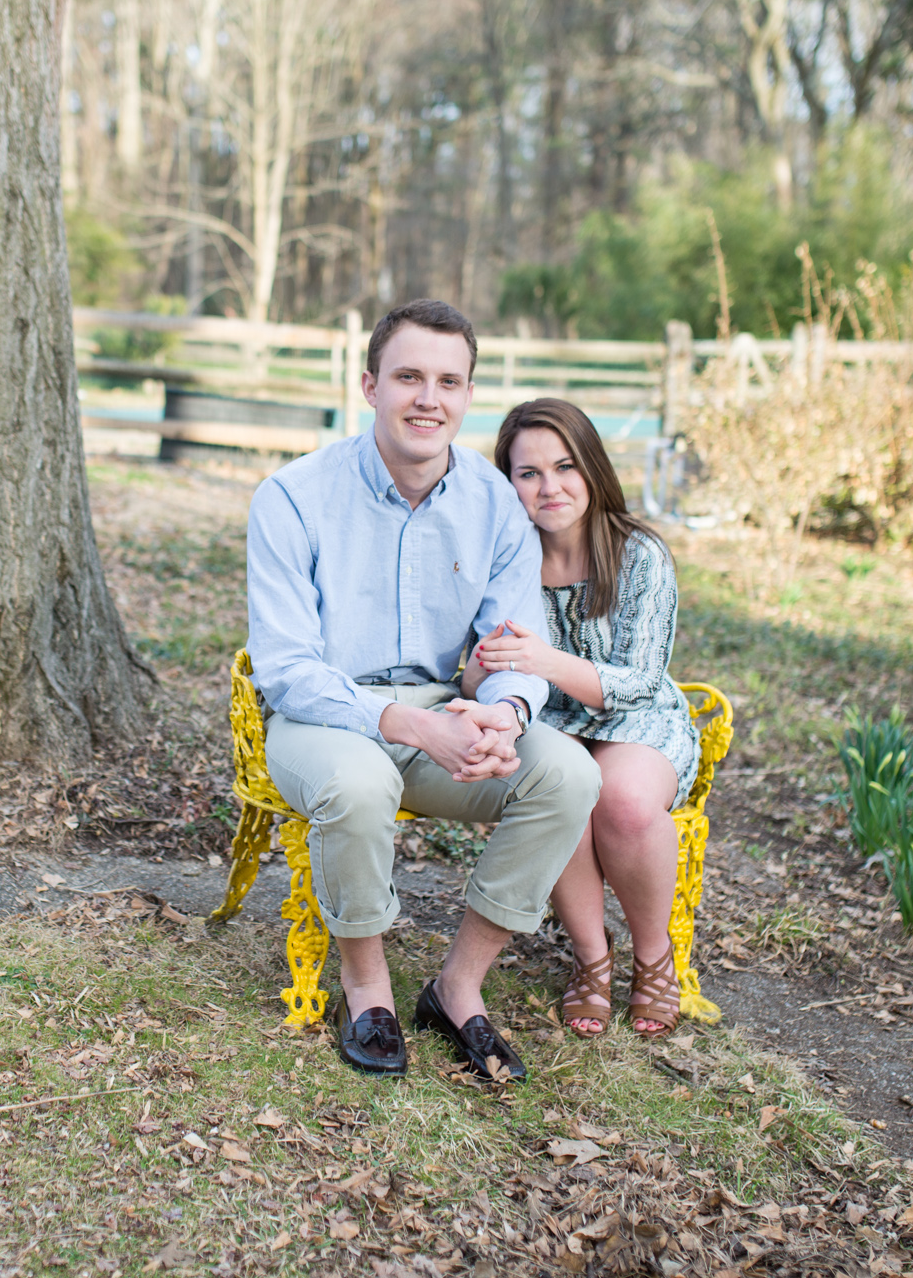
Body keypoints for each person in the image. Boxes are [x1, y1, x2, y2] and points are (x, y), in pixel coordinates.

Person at [245, 300, 602, 1081]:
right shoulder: (293, 496)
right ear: (370, 384)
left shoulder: (495, 504)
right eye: (409, 376)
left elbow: (511, 644)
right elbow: (286, 668)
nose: (428, 398)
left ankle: (457, 985)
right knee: (358, 779)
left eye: (448, 380)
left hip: (450, 707)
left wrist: (505, 711)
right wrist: (408, 722)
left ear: (468, 395)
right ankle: (366, 983)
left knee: (569, 771)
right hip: (324, 716)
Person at [464, 399, 699, 1039]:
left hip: (636, 717)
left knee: (621, 800)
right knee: (562, 787)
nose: (550, 487)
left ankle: (654, 958)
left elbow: (640, 681)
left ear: (591, 467)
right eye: (528, 473)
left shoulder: (638, 554)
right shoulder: (506, 559)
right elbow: (474, 670)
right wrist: (487, 669)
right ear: (507, 483)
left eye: (565, 466)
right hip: (549, 716)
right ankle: (592, 959)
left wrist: (541, 657)